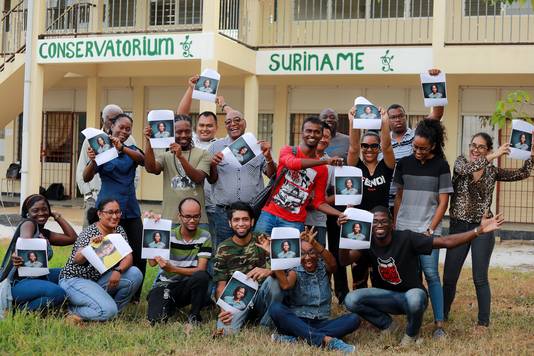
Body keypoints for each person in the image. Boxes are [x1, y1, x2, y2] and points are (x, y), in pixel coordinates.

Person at [341, 206, 504, 345]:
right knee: (351, 299)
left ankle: (411, 335)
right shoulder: (367, 242)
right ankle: (389, 326)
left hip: (411, 296)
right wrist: (344, 237)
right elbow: (344, 260)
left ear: (392, 223)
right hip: (386, 298)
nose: (379, 225)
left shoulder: (407, 238)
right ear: (370, 225)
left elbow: (446, 242)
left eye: (384, 221)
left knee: (415, 297)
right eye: (375, 222)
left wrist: (478, 230)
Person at [443, 132, 534, 329]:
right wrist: (493, 157)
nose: (475, 150)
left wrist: (530, 155)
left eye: (481, 147)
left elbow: (522, 174)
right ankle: (442, 317)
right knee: (450, 277)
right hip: (459, 227)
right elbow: (470, 168)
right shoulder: (460, 163)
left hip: (483, 228)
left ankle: (483, 323)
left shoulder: (492, 172)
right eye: (473, 145)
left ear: (488, 149)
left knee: (480, 277)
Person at [393, 119, 453, 338]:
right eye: (415, 147)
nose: (417, 151)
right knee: (412, 276)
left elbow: (443, 202)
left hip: (428, 229)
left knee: (431, 274)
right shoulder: (404, 164)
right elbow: (399, 196)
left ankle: (439, 324)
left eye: (423, 148)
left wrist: (431, 228)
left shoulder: (441, 166)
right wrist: (396, 224)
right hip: (405, 228)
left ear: (433, 146)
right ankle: (414, 322)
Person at [83, 113, 146, 302]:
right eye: (121, 127)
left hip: (130, 208)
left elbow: (143, 160)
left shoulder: (131, 149)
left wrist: (123, 147)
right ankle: (104, 289)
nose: (124, 131)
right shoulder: (101, 149)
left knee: (138, 251)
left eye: (128, 129)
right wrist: (94, 160)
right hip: (107, 209)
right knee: (106, 250)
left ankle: (134, 295)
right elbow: (86, 177)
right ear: (111, 127)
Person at [268, 227, 360, 353]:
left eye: (311, 252)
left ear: (317, 253)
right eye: (303, 254)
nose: (307, 257)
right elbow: (285, 285)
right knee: (276, 308)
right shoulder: (295, 270)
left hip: (321, 323)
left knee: (353, 319)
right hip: (296, 321)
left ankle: (297, 339)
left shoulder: (323, 268)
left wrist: (315, 243)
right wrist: (274, 254)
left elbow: (333, 264)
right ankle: (328, 341)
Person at [255, 116, 347, 236]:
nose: (312, 135)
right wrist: (325, 161)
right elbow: (293, 164)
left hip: (294, 222)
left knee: (289, 255)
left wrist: (339, 214)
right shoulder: (288, 150)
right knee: (257, 251)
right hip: (269, 215)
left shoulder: (322, 170)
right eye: (308, 131)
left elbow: (318, 202)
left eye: (317, 132)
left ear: (320, 135)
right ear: (302, 133)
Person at [59, 199, 143, 323]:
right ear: (100, 214)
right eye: (110, 212)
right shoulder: (90, 232)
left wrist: (118, 271)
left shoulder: (119, 230)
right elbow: (77, 260)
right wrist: (89, 247)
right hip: (75, 280)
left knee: (135, 273)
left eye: (117, 212)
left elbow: (128, 257)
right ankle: (69, 311)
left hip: (97, 280)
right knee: (108, 310)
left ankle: (113, 313)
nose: (115, 216)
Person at [208, 97, 277, 245]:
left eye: (237, 120)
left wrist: (268, 157)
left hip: (252, 211)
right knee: (223, 250)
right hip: (224, 213)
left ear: (244, 123)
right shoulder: (215, 147)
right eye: (228, 122)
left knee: (253, 250)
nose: (233, 124)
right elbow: (211, 180)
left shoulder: (257, 146)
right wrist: (213, 165)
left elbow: (272, 175)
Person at [213, 202, 283, 336]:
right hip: (238, 298)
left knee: (275, 281)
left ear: (252, 222)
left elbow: (285, 267)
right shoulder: (223, 248)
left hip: (262, 295)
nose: (241, 224)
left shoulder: (263, 239)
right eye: (236, 220)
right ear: (229, 223)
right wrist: (223, 309)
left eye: (245, 219)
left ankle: (266, 325)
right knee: (225, 333)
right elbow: (220, 284)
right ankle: (244, 318)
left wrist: (269, 271)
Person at [384, 68, 445, 212]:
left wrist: (434, 80)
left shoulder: (417, 134)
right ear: (387, 120)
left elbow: (436, 114)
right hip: (386, 200)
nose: (397, 119)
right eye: (393, 117)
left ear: (406, 117)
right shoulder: (384, 142)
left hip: (412, 199)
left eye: (401, 116)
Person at [5, 194, 77, 311]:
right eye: (35, 210)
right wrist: (19, 253)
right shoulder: (28, 223)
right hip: (20, 282)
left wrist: (57, 216)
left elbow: (72, 238)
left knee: (70, 272)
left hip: (40, 277)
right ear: (27, 213)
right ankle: (18, 310)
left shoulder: (43, 233)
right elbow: (26, 241)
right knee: (58, 293)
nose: (41, 213)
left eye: (44, 209)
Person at [146, 198, 212, 325]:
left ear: (200, 215)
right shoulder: (168, 235)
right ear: (179, 216)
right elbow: (152, 263)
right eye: (187, 216)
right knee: (156, 319)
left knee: (202, 276)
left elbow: (201, 269)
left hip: (188, 286)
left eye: (196, 216)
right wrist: (152, 227)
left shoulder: (205, 236)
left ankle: (194, 315)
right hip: (166, 284)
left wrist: (173, 269)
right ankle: (165, 302)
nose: (192, 220)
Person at [76, 104, 139, 228]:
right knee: (93, 238)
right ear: (102, 119)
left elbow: (136, 168)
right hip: (94, 198)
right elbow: (82, 167)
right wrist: (87, 194)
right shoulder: (91, 139)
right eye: (111, 119)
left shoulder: (129, 139)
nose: (114, 122)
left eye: (118, 118)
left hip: (121, 200)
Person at [144, 115, 212, 230]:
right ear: (172, 133)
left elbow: (198, 178)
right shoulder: (166, 155)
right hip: (170, 219)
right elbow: (151, 169)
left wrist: (180, 157)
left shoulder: (203, 154)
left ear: (192, 132)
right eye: (179, 132)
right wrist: (149, 142)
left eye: (187, 131)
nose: (184, 135)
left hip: (197, 220)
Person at [176, 76, 220, 239]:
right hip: (191, 204)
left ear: (216, 128)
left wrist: (223, 105)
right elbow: (181, 115)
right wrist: (191, 88)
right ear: (196, 127)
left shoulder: (221, 145)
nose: (205, 129)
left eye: (209, 126)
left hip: (213, 205)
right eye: (201, 125)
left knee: (211, 246)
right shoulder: (190, 140)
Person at [319, 108, 350, 303]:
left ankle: (342, 291)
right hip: (318, 204)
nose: (329, 120)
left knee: (339, 248)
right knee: (319, 249)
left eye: (333, 117)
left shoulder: (346, 140)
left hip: (339, 201)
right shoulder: (314, 141)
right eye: (325, 118)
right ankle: (323, 289)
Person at [348, 106, 395, 211]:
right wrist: (352, 121)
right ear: (361, 147)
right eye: (365, 146)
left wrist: (385, 121)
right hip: (360, 219)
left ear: (379, 148)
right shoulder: (356, 166)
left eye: (374, 146)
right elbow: (353, 148)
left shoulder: (387, 165)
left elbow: (387, 147)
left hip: (380, 220)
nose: (369, 149)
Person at [304, 122, 335, 247]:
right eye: (320, 135)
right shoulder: (299, 156)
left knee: (318, 259)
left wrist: (320, 202)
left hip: (318, 222)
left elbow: (339, 194)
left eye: (326, 136)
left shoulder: (332, 164)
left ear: (330, 140)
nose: (322, 139)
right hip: (294, 219)